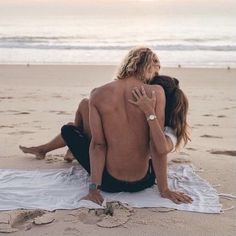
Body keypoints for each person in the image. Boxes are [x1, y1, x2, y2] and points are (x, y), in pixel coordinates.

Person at [20, 47, 192, 205]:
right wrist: (164, 189)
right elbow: (157, 146)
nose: (156, 75)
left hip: (108, 183)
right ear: (149, 66)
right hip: (142, 182)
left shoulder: (98, 94)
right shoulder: (156, 92)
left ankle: (62, 150)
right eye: (157, 69)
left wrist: (94, 189)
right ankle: (60, 151)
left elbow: (98, 145)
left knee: (69, 129)